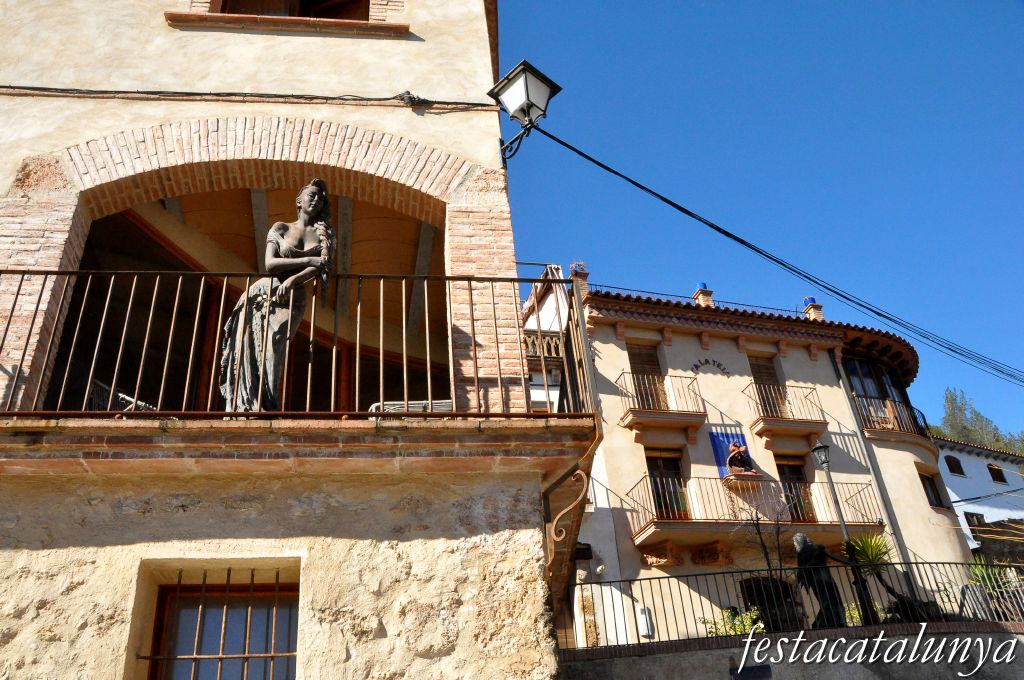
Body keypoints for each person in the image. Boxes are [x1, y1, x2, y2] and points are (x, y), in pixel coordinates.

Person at [219, 179, 335, 411]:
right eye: (311, 195)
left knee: (276, 342)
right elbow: (270, 264)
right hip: (263, 292)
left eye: (320, 198)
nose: (315, 199)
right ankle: (248, 406)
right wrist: (307, 260)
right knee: (248, 347)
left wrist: (294, 279)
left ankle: (268, 405)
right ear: (298, 201)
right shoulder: (281, 227)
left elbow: (321, 265)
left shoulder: (325, 235)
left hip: (292, 294)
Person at [794, 533, 849, 629]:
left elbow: (800, 571)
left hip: (816, 581)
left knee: (825, 601)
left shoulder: (802, 553)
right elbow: (833, 556)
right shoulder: (817, 548)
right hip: (826, 578)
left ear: (799, 542)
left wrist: (796, 585)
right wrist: (849, 562)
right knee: (833, 600)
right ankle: (834, 622)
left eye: (795, 542)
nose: (794, 545)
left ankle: (822, 623)